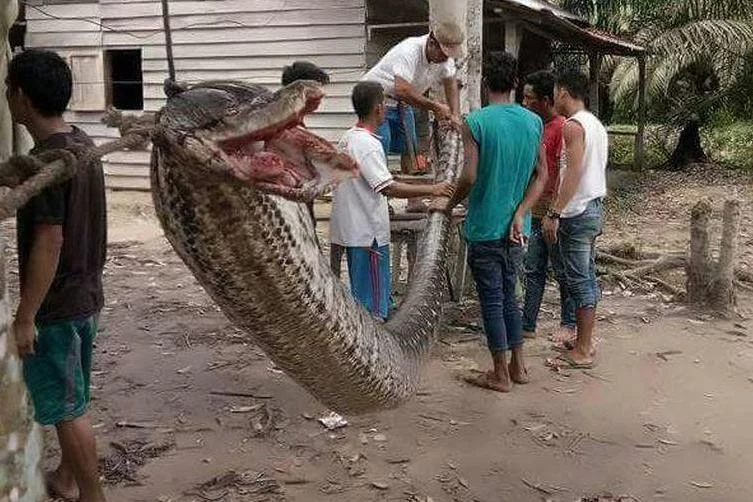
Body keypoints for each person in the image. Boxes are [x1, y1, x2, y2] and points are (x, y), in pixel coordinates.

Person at [7, 50, 107, 502]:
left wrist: (26, 315)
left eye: (9, 89)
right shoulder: (82, 144)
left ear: (21, 97)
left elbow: (50, 241)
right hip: (86, 295)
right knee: (77, 393)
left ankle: (92, 495)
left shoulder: (51, 163)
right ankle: (67, 480)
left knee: (68, 409)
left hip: (59, 305)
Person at [435, 52, 548, 393]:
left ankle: (499, 373)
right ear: (515, 84)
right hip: (518, 229)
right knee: (510, 296)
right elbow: (542, 175)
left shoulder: (477, 122)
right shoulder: (533, 122)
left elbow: (468, 175)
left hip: (485, 225)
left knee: (492, 299)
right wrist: (520, 212)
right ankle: (518, 366)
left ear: (486, 84)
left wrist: (449, 202)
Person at [330, 81, 454, 319]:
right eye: (385, 105)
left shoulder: (348, 138)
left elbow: (374, 179)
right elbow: (387, 188)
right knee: (373, 306)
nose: (387, 110)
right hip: (368, 233)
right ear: (378, 108)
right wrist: (434, 188)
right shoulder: (367, 144)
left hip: (352, 230)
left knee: (363, 296)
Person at [543, 69, 608, 369]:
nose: (553, 98)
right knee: (585, 275)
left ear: (564, 93)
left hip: (578, 210)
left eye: (555, 92)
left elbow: (574, 172)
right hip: (592, 206)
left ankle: (583, 349)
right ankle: (584, 340)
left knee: (579, 279)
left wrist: (555, 212)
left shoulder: (573, 126)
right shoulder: (595, 124)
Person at [362, 21, 463, 212]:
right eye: (442, 53)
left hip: (403, 102)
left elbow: (451, 83)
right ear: (432, 42)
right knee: (379, 148)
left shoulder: (444, 59)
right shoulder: (409, 50)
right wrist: (435, 107)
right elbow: (402, 88)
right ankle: (379, 202)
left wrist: (455, 114)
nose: (444, 59)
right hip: (377, 100)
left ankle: (414, 199)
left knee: (412, 150)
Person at [520, 70, 576, 341]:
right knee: (533, 269)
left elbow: (564, 173)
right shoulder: (533, 126)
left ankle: (568, 323)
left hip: (554, 214)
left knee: (562, 270)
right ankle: (528, 324)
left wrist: (554, 212)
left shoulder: (562, 128)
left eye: (529, 98)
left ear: (544, 100)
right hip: (535, 210)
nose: (524, 102)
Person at [280, 61, 331, 239]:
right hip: (289, 217)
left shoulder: (296, 123)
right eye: (317, 90)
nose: (321, 96)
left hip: (301, 211)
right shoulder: (281, 127)